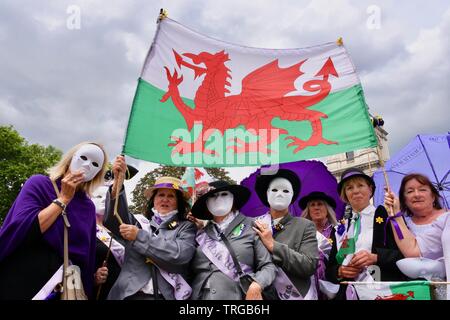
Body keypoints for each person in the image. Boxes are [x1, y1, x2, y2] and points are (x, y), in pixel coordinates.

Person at [0, 142, 108, 299]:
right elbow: (22, 230)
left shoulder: (88, 207)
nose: (87, 165)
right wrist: (63, 199)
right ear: (71, 158)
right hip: (24, 279)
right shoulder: (39, 183)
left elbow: (85, 255)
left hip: (64, 288)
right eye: (83, 157)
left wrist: (92, 278)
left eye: (95, 164)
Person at [104, 156, 196, 300]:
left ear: (178, 202)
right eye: (161, 195)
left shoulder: (186, 227)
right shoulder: (139, 221)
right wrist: (118, 183)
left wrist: (139, 236)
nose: (165, 199)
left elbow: (180, 255)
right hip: (129, 295)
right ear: (153, 200)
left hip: (165, 296)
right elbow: (114, 218)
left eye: (171, 196)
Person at [325, 167, 405, 300]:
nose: (355, 190)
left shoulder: (386, 217)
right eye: (349, 188)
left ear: (370, 189)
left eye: (360, 185)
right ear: (345, 195)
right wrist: (339, 271)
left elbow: (404, 255)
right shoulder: (341, 227)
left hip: (380, 291)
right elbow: (330, 268)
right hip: (349, 293)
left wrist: (376, 257)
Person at [189, 180, 277, 300]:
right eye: (213, 195)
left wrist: (257, 284)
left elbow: (268, 266)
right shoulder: (201, 232)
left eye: (224, 194)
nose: (218, 199)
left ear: (233, 199)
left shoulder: (253, 225)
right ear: (206, 203)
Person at [253, 169, 319, 300]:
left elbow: (309, 265)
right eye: (274, 190)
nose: (279, 194)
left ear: (292, 196)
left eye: (285, 191)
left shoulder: (305, 226)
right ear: (266, 193)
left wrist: (273, 245)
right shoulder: (254, 225)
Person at [384, 173, 449, 299]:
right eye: (410, 191)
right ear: (404, 200)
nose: (417, 194)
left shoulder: (446, 219)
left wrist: (395, 216)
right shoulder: (403, 225)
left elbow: (414, 251)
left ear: (433, 196)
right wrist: (393, 214)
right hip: (416, 291)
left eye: (422, 189)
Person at [299, 191, 338, 299]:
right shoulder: (301, 233)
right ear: (308, 210)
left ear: (327, 209)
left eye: (320, 204)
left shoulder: (338, 231)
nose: (316, 208)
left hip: (331, 284)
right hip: (307, 285)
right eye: (312, 205)